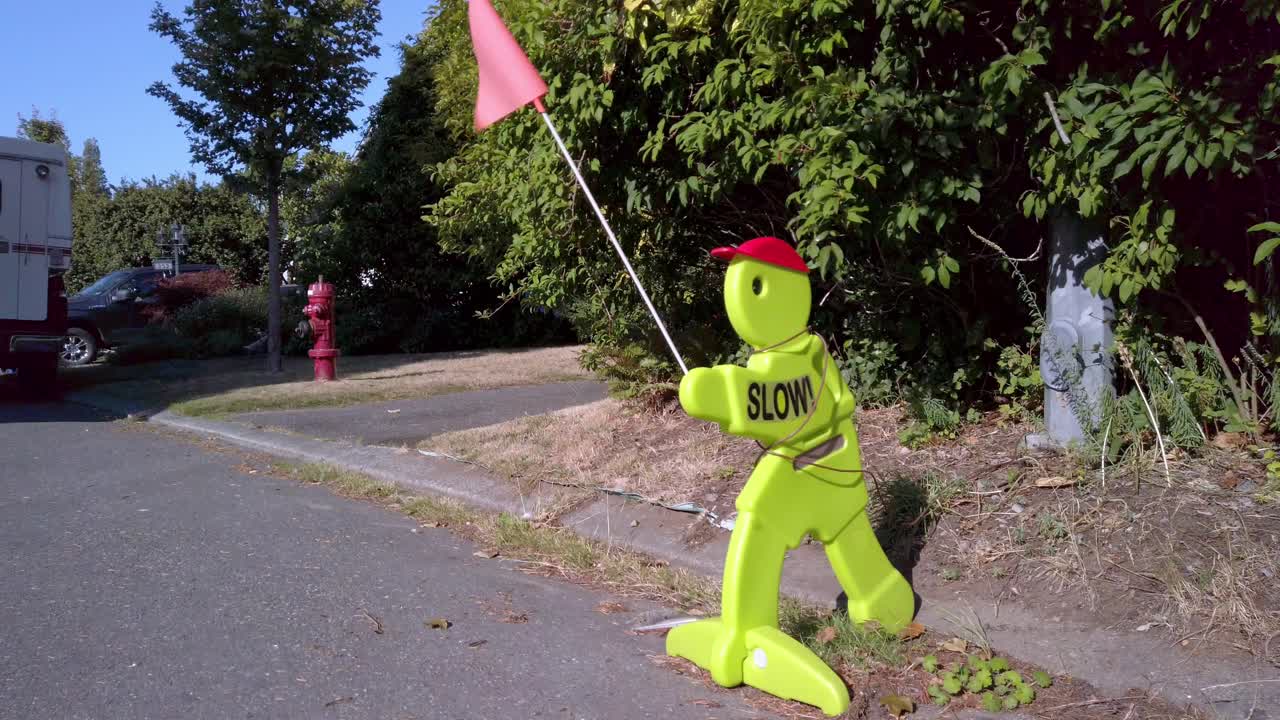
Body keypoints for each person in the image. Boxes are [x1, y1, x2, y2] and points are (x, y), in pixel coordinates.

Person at [668, 236, 914, 717]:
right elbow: (771, 396)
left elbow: (775, 400)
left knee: (844, 535)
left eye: (754, 282)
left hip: (830, 462)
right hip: (801, 464)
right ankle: (746, 629)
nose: (741, 293)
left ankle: (881, 603)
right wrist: (724, 389)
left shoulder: (810, 355)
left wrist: (718, 390)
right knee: (759, 519)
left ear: (783, 290)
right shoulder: (793, 357)